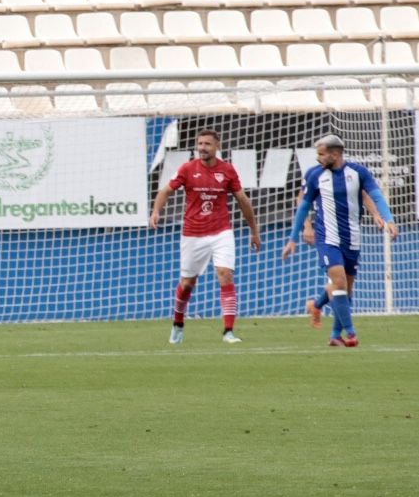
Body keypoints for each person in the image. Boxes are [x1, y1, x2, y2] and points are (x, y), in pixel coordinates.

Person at [148, 128, 262, 345]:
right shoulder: (188, 169)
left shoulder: (227, 170)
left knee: (225, 275)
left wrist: (253, 231)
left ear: (217, 146)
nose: (202, 148)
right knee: (188, 282)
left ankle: (228, 331)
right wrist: (156, 212)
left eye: (207, 144)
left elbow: (243, 201)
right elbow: (165, 191)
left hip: (221, 232)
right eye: (200, 144)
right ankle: (178, 323)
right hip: (193, 234)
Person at [283, 134, 398, 347]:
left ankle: (333, 332)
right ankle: (352, 333)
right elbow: (303, 205)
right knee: (339, 283)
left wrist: (386, 218)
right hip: (327, 237)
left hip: (352, 236)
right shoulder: (314, 175)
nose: (317, 158)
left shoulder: (358, 173)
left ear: (335, 154)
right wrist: (294, 237)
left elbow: (374, 195)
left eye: (321, 154)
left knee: (345, 289)